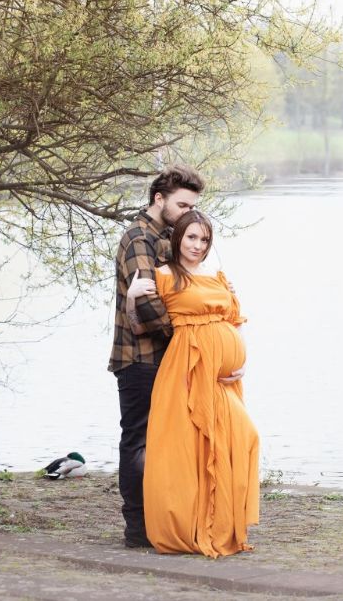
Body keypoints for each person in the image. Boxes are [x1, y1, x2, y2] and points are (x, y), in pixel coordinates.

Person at [126, 210, 258, 558]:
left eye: (204, 239)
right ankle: (188, 527)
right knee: (189, 453)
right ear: (177, 238)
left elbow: (235, 319)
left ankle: (223, 522)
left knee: (241, 436)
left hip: (224, 379)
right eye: (191, 238)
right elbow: (141, 327)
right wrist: (130, 300)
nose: (197, 246)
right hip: (186, 370)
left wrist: (241, 360)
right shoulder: (165, 275)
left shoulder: (218, 276)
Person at [108, 164, 205, 548]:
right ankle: (136, 528)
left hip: (166, 358)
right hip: (139, 357)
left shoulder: (168, 237)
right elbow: (147, 303)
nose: (187, 213)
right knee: (138, 440)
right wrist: (188, 333)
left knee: (164, 441)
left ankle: (163, 521)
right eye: (182, 205)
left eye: (192, 206)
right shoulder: (137, 238)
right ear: (158, 199)